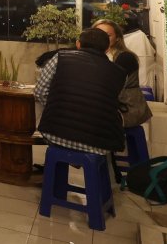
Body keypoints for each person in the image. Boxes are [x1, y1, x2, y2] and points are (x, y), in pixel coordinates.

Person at [35, 28, 127, 156]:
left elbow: (40, 91)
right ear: (107, 49)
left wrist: (59, 107)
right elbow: (113, 104)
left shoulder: (60, 58)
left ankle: (61, 166)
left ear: (78, 44)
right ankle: (101, 174)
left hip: (55, 134)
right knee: (106, 155)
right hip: (98, 144)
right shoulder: (120, 73)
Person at [92, 19, 152, 128]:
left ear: (117, 38)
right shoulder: (93, 56)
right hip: (108, 106)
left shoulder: (125, 57)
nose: (101, 39)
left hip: (127, 109)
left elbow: (109, 87)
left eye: (107, 36)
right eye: (97, 35)